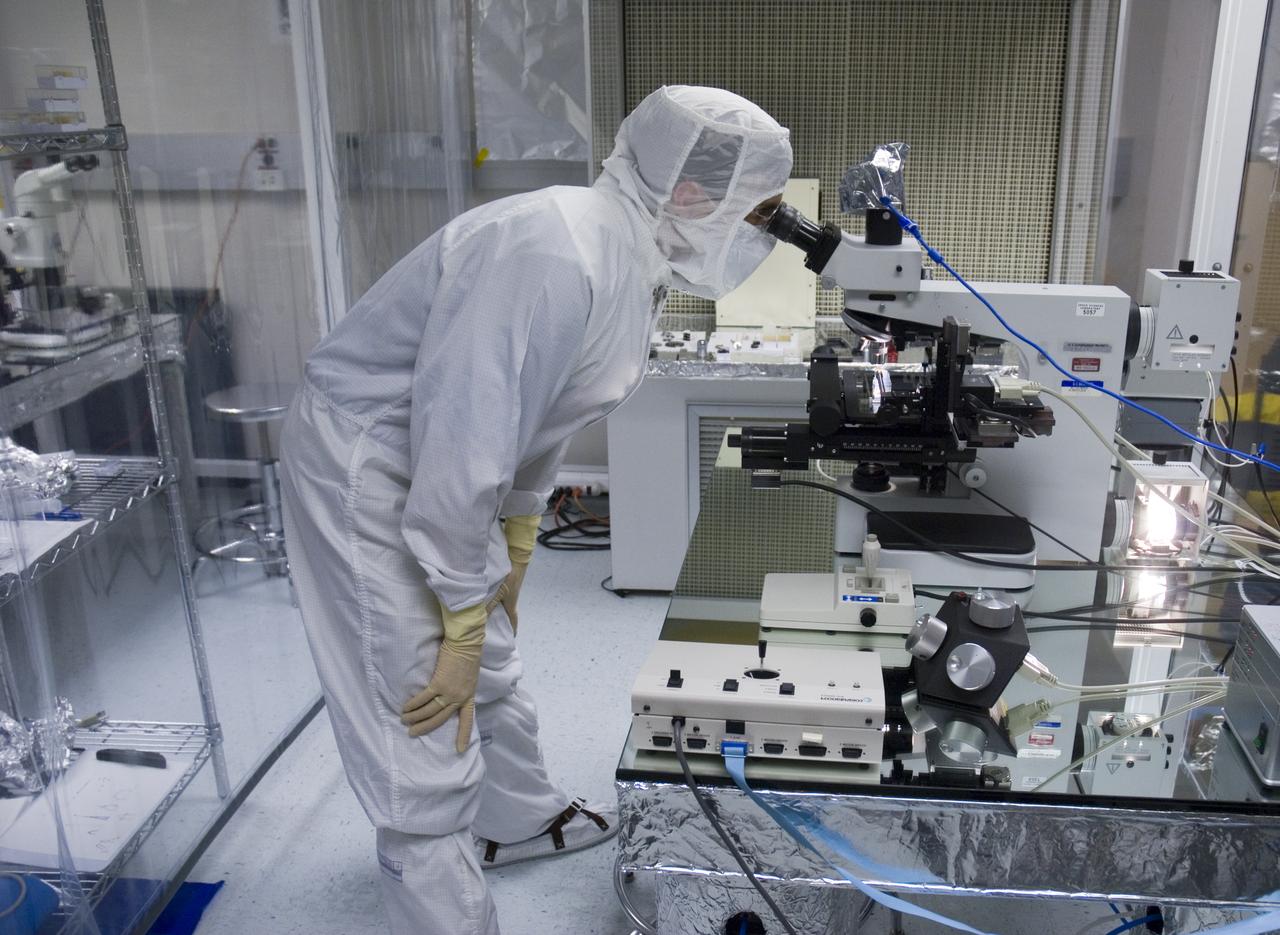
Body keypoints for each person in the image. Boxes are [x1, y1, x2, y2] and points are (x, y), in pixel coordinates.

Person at [278, 85, 792, 934]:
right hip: (368, 464)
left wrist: (516, 537)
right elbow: (463, 435)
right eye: (756, 212)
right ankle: (441, 906)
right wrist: (459, 611)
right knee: (418, 697)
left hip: (451, 466)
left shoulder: (632, 257)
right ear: (693, 196)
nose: (759, 234)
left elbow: (543, 412)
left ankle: (515, 820)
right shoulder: (553, 250)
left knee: (488, 651)